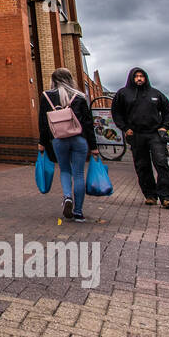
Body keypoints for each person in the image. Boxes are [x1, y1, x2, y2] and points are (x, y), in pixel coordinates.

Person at [111, 67, 169, 209]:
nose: (139, 79)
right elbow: (116, 113)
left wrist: (164, 127)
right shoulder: (123, 94)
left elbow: (168, 111)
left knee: (161, 163)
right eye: (136, 76)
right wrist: (125, 128)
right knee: (142, 166)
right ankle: (150, 195)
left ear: (145, 78)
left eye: (141, 76)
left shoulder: (155, 94)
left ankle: (166, 197)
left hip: (154, 133)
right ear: (131, 78)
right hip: (136, 134)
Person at [37, 68, 98, 222]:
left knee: (65, 170)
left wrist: (42, 143)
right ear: (70, 79)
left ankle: (67, 197)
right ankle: (78, 212)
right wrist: (94, 146)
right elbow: (88, 124)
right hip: (79, 139)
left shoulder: (46, 96)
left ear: (53, 80)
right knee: (78, 174)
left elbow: (43, 123)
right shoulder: (80, 97)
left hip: (59, 139)